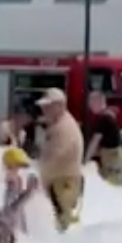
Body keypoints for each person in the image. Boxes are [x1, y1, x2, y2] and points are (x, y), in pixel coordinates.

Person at [36, 88, 84, 232]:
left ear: (60, 105)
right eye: (43, 106)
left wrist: (36, 171)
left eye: (47, 106)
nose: (43, 109)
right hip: (60, 183)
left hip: (63, 185)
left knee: (61, 226)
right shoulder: (59, 124)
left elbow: (54, 158)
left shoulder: (64, 128)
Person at [84, 92, 122, 184]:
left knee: (111, 186)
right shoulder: (109, 114)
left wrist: (86, 161)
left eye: (91, 104)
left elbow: (94, 142)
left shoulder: (104, 119)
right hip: (115, 156)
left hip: (112, 160)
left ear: (97, 102)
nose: (90, 107)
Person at [1, 147, 38, 233]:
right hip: (12, 229)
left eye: (19, 167)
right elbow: (10, 210)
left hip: (18, 226)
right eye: (17, 166)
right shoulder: (11, 183)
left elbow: (16, 206)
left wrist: (28, 191)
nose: (19, 169)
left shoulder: (17, 181)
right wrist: (29, 192)